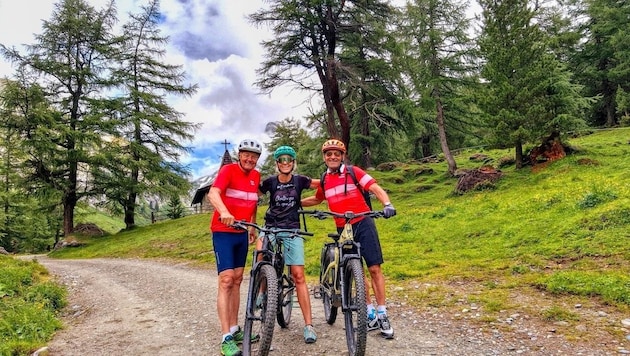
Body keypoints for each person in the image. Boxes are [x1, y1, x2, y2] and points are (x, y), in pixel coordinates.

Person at [301, 139, 397, 339]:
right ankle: (369, 311)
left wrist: (387, 204)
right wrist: (295, 203)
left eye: (336, 153)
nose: (333, 157)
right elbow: (318, 199)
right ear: (324, 157)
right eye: (329, 154)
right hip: (342, 227)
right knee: (357, 270)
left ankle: (382, 312)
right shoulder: (325, 179)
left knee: (374, 268)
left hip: (363, 222)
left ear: (342, 155)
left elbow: (375, 188)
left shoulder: (354, 172)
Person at [258, 145, 320, 344]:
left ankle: (309, 325)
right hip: (271, 227)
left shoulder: (300, 180)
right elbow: (252, 192)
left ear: (293, 162)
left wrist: (340, 180)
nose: (285, 163)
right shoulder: (270, 182)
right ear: (277, 163)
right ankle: (260, 292)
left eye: (289, 159)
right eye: (281, 160)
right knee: (261, 254)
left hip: (292, 230)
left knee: (299, 276)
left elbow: (322, 184)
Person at [208, 139, 262, 356]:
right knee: (227, 280)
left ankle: (235, 328)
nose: (250, 159)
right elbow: (213, 194)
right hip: (223, 232)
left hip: (242, 232)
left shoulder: (256, 176)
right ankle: (225, 338)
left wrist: (252, 226)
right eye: (246, 154)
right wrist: (224, 212)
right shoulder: (228, 170)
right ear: (240, 155)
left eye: (254, 156)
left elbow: (253, 202)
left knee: (238, 279)